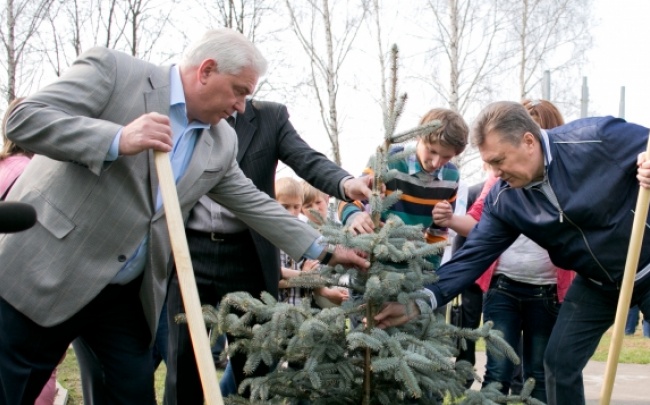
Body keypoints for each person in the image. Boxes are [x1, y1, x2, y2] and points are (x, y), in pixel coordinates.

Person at [0, 28, 369, 405]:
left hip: (123, 297)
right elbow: (23, 120)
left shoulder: (221, 141)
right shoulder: (114, 72)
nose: (242, 106)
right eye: (239, 90)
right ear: (206, 70)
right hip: (44, 272)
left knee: (131, 395)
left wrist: (325, 250)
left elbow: (252, 202)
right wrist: (116, 139)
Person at [374, 100, 650, 405]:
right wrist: (422, 300)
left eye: (499, 160)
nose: (494, 172)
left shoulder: (596, 137)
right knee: (558, 364)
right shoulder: (505, 199)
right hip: (595, 284)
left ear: (528, 142)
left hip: (647, 266)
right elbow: (472, 257)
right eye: (489, 163)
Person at [163, 95, 371, 404]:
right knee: (183, 362)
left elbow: (306, 158)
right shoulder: (181, 112)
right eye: (236, 88)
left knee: (254, 365)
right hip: (187, 253)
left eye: (247, 90)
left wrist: (345, 183)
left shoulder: (269, 118)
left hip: (249, 257)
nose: (239, 102)